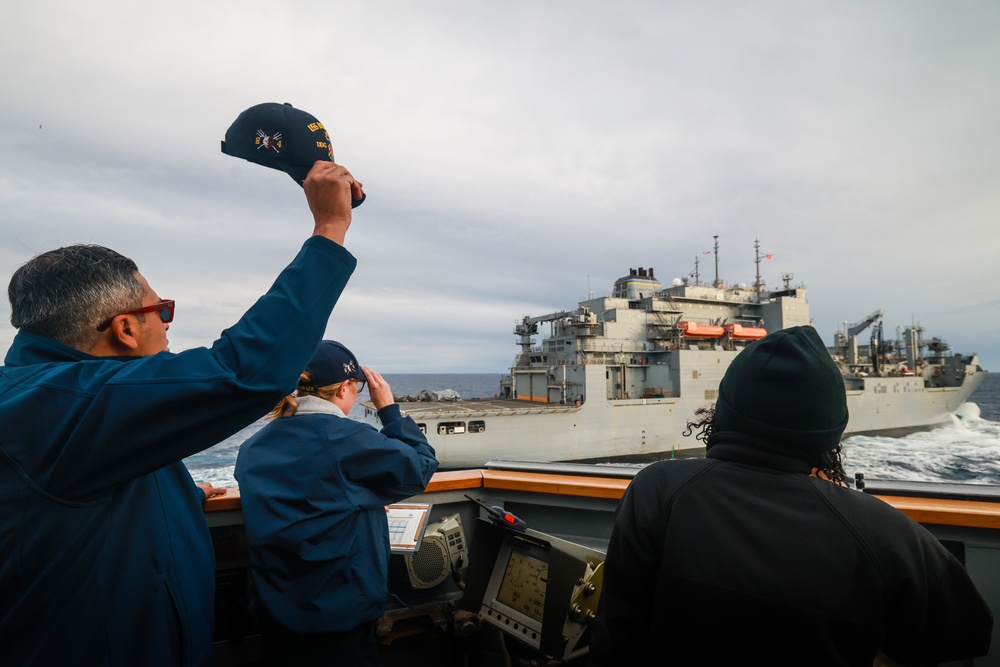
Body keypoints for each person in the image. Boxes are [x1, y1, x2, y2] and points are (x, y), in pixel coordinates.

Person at [0, 159, 364, 666]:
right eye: (162, 311)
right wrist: (330, 230)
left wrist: (177, 491)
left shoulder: (53, 404)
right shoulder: (60, 406)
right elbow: (245, 372)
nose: (168, 327)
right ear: (125, 328)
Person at [589, 325, 992, 666]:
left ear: (725, 409)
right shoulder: (882, 533)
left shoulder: (655, 490)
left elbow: (615, 636)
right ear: (828, 429)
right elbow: (971, 633)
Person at [234, 340, 438, 665]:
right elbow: (420, 466)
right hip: (336, 625)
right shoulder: (347, 438)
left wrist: (365, 499)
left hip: (276, 621)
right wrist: (388, 409)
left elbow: (313, 499)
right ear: (344, 388)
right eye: (356, 388)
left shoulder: (253, 447)